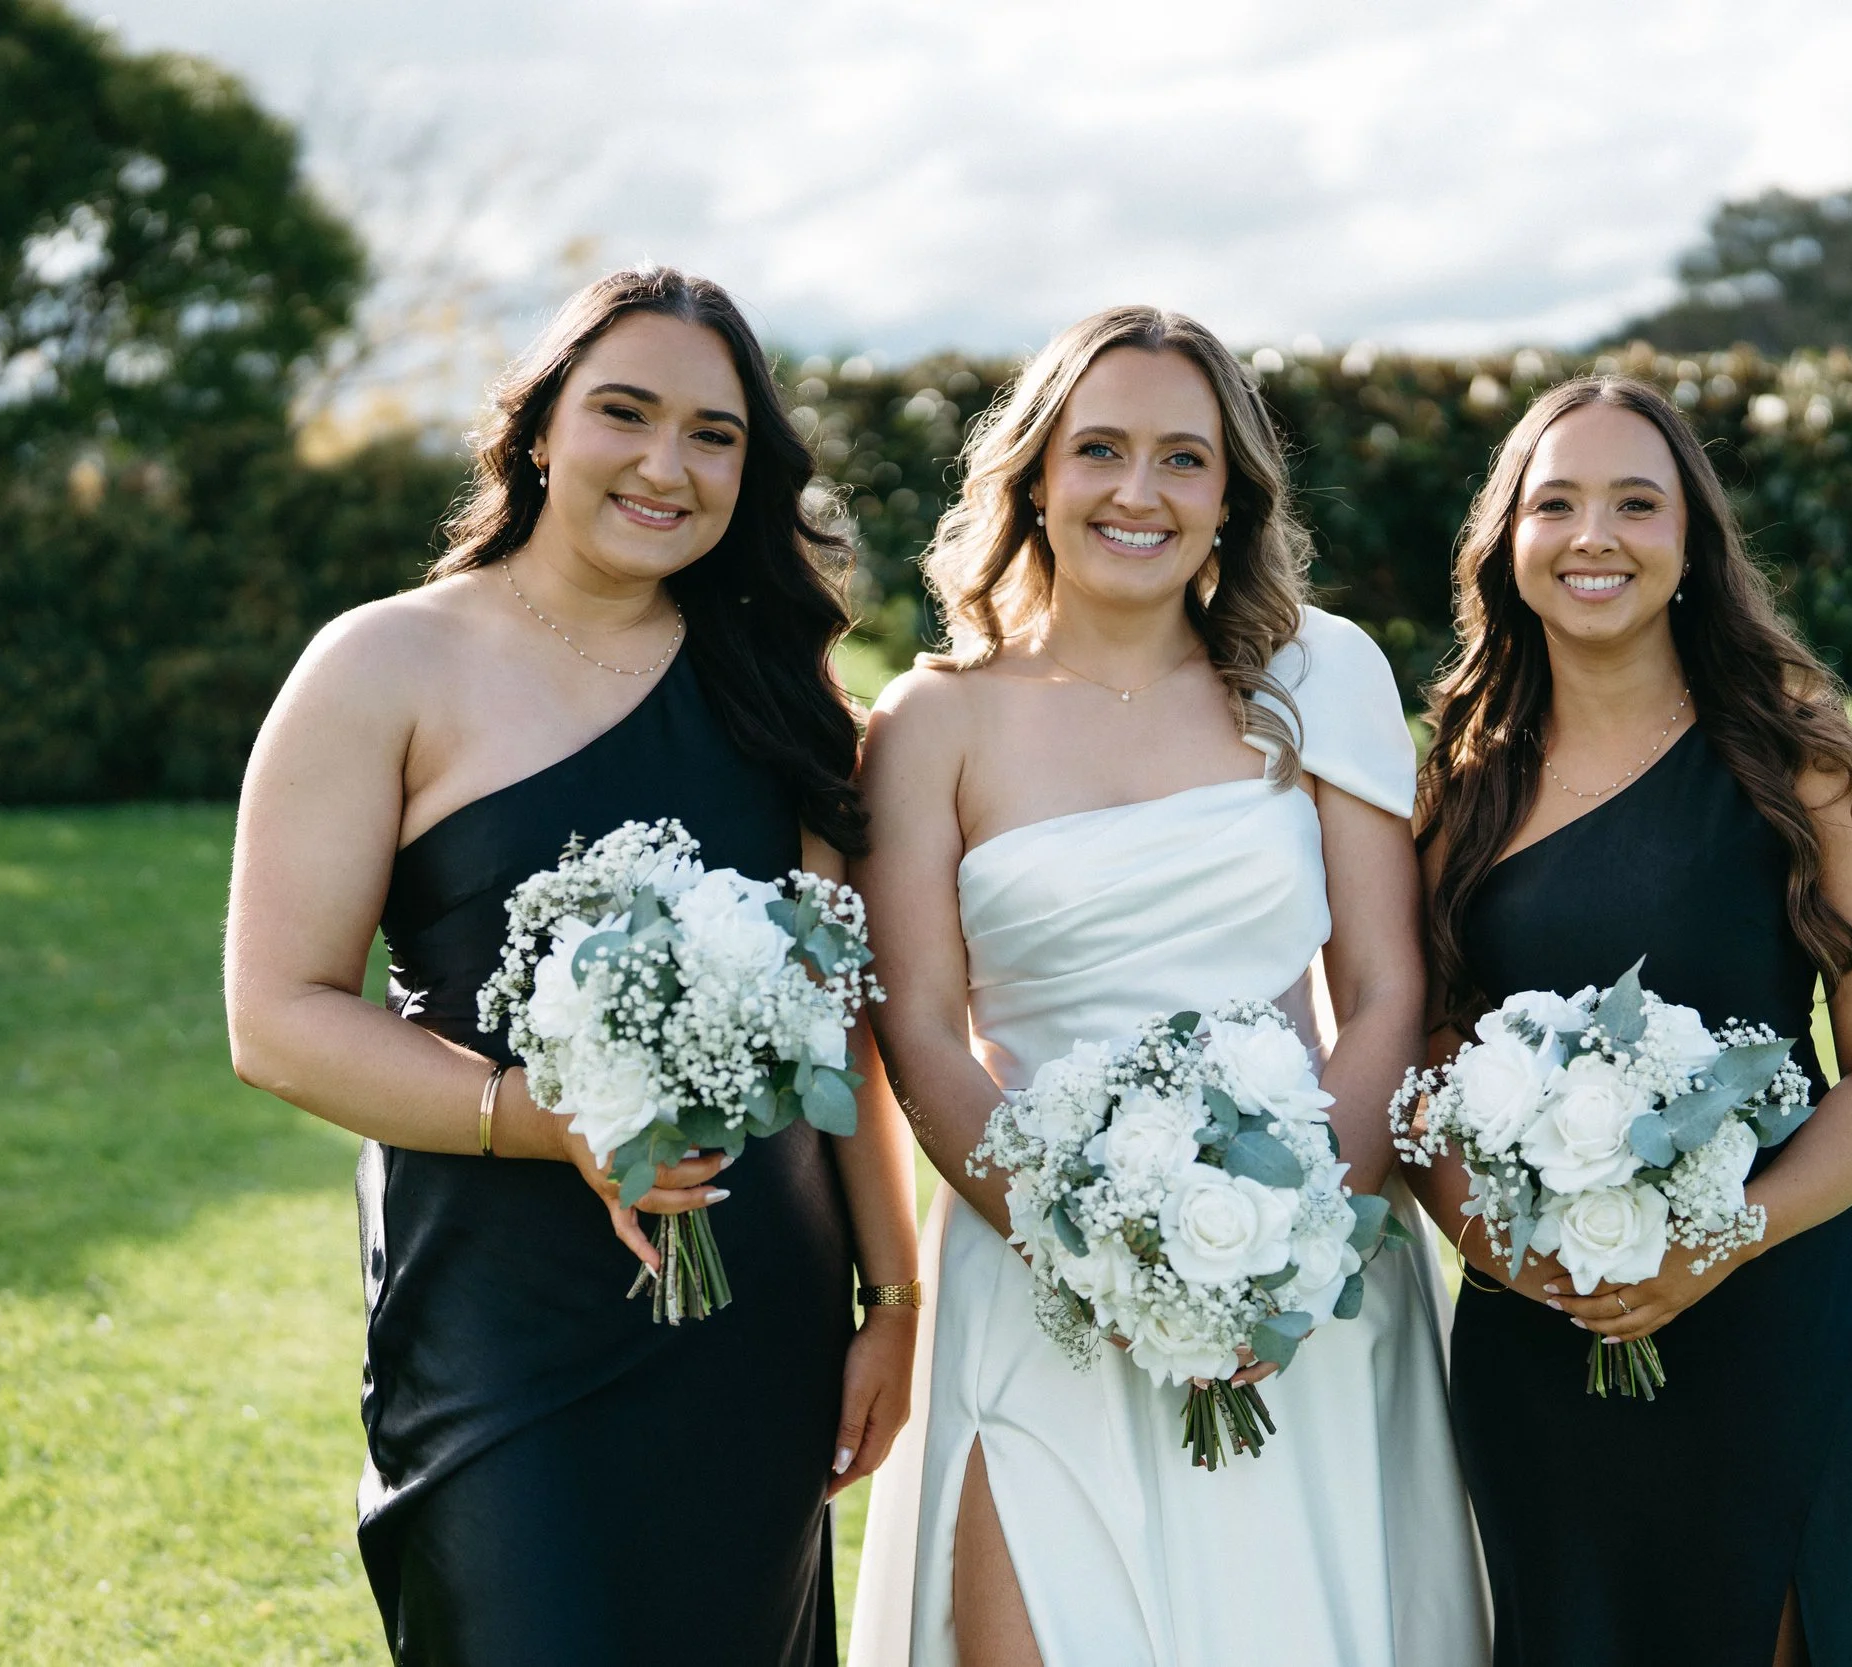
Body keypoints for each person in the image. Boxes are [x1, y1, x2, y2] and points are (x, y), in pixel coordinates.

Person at [223, 266, 919, 1666]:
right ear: (541, 429)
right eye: (625, 412)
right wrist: (543, 1120)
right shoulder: (385, 666)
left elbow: (842, 1020)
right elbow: (279, 1016)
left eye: (714, 434)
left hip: (752, 1316)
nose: (668, 463)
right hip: (498, 1320)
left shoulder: (779, 689)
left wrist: (895, 1302)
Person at [848, 305, 1489, 1667]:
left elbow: (1383, 990)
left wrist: (1287, 1248)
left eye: (1183, 459)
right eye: (1101, 449)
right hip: (1033, 1278)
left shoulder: (1321, 677)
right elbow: (918, 1023)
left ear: (1231, 498)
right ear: (1034, 477)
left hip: (1296, 1280)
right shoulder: (934, 721)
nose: (1139, 491)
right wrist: (1088, 1249)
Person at [1407, 375, 1852, 1667]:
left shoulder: (1799, 759)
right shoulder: (1456, 779)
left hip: (1767, 1315)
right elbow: (1419, 1052)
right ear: (1508, 543)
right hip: (1537, 1327)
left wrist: (1727, 1235)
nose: (1597, 535)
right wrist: (1500, 1236)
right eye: (1559, 503)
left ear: (1691, 542)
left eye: (1636, 503)